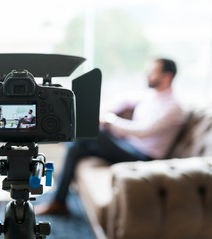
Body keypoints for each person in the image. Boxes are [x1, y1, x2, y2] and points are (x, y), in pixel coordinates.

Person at [35, 58, 186, 215]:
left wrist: (109, 120)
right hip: (128, 145)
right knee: (77, 147)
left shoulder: (173, 107)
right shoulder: (151, 96)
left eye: (152, 72)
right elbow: (125, 100)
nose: (147, 75)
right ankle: (59, 201)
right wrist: (108, 110)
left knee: (92, 133)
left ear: (167, 76)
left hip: (143, 156)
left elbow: (143, 130)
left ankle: (58, 200)